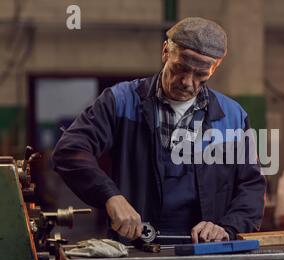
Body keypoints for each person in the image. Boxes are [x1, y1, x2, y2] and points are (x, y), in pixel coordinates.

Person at [51, 17, 266, 244]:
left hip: (206, 251)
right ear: (166, 52)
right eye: (180, 68)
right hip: (135, 250)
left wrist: (227, 227)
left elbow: (251, 185)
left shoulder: (233, 116)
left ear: (215, 67)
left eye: (200, 76)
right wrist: (110, 196)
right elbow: (70, 150)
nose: (187, 82)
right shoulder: (120, 102)